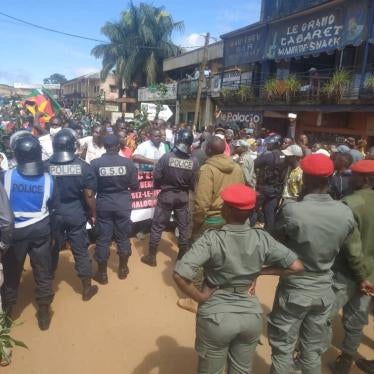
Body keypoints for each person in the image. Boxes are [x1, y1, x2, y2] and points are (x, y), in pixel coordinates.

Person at [173, 184, 304, 374]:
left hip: (216, 318)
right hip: (250, 317)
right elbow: (297, 266)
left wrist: (199, 297)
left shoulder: (212, 239)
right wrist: (260, 272)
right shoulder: (262, 238)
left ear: (226, 210)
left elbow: (179, 274)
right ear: (250, 212)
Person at [268, 154, 355, 374]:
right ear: (330, 177)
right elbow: (345, 246)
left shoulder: (292, 210)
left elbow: (275, 243)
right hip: (325, 290)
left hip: (295, 288)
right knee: (312, 352)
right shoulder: (344, 212)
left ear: (305, 178)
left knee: (283, 349)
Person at [1, 136, 60, 330]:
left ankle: (7, 315)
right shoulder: (49, 179)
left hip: (14, 234)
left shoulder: (5, 177)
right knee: (43, 273)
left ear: (16, 155)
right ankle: (44, 314)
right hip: (40, 231)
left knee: (11, 274)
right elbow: (54, 209)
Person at [329, 160, 374, 374]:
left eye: (354, 175)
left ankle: (309, 356)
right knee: (357, 321)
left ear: (364, 179)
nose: (349, 178)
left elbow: (351, 246)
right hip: (370, 275)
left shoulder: (349, 203)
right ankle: (346, 361)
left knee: (324, 316)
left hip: (347, 273)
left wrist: (359, 275)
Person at [49, 129, 98, 301]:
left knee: (52, 249)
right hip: (76, 212)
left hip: (53, 214)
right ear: (73, 146)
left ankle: (47, 287)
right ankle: (86, 289)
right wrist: (93, 213)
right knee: (80, 250)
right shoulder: (84, 166)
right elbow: (89, 195)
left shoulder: (45, 165)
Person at [141, 129, 199, 267]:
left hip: (166, 196)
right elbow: (193, 183)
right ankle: (181, 257)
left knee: (157, 226)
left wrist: (158, 187)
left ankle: (151, 257)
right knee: (183, 226)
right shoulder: (194, 161)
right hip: (183, 197)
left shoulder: (166, 157)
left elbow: (157, 177)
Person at [91, 135, 139, 284]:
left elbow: (91, 189)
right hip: (123, 205)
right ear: (118, 147)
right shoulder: (128, 163)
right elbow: (135, 186)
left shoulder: (95, 164)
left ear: (104, 146)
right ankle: (123, 269)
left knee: (103, 238)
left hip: (104, 204)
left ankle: (102, 274)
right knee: (123, 237)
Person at [192, 136, 244, 239]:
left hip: (212, 221)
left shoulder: (207, 170)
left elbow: (202, 202)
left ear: (209, 150)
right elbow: (241, 194)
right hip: (233, 220)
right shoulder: (237, 168)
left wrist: (197, 224)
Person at [255, 134, 288, 231]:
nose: (268, 145)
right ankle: (270, 235)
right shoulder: (286, 156)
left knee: (254, 210)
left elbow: (254, 164)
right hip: (277, 189)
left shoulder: (268, 156)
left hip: (264, 188)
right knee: (270, 213)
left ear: (275, 144)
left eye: (270, 143)